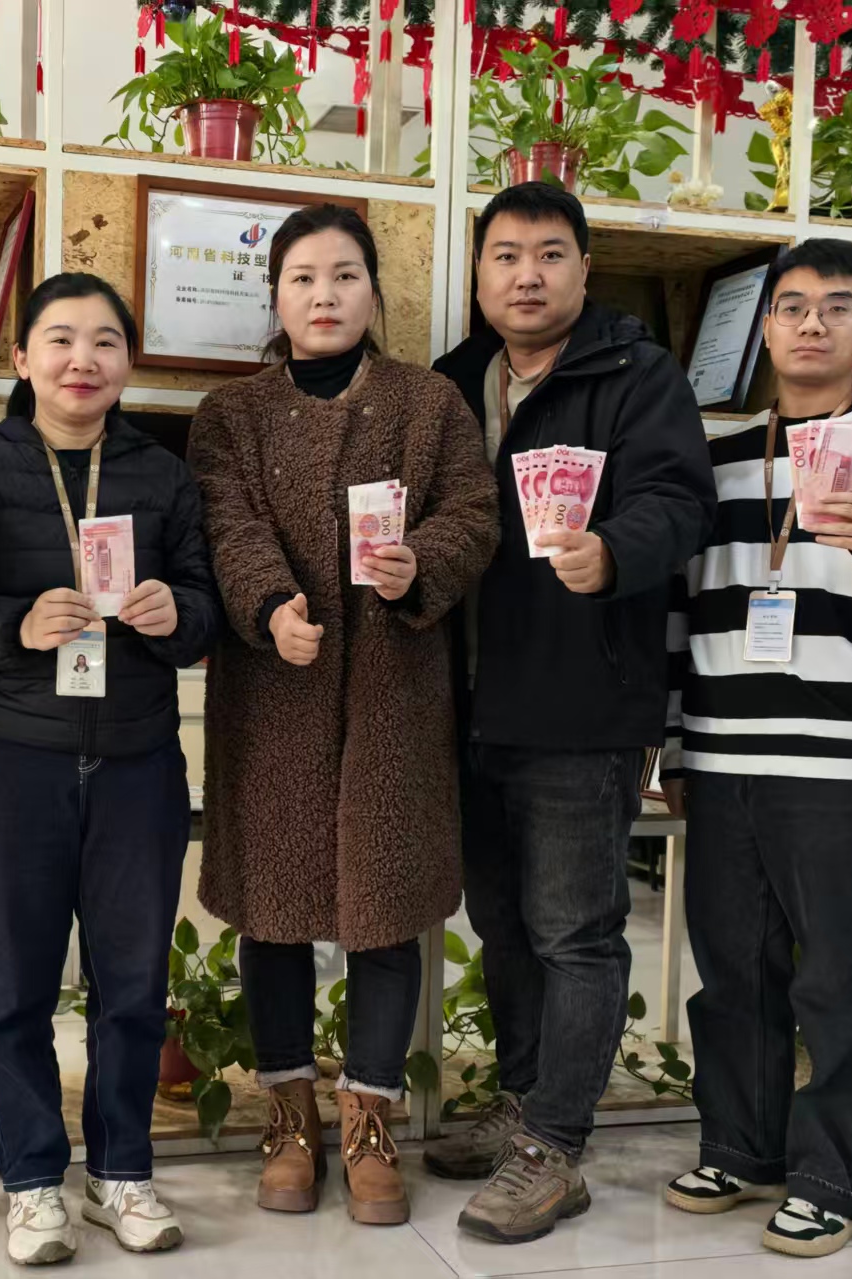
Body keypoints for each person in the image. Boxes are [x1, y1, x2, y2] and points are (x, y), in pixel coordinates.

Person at [657, 239, 852, 1257]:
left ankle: (833, 1177)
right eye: (791, 306)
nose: (810, 323)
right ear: (764, 327)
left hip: (839, 760)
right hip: (722, 757)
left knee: (840, 980)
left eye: (836, 306)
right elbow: (681, 616)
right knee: (731, 972)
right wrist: (675, 745)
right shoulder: (714, 457)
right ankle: (739, 1147)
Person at [187, 204, 500, 1227]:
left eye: (345, 275)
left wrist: (423, 564)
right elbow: (227, 523)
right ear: (275, 297)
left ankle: (368, 1121)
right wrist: (270, 605)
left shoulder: (429, 401)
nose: (324, 295)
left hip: (395, 690)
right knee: (272, 909)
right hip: (272, 689)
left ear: (374, 290)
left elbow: (473, 513)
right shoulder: (230, 414)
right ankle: (289, 1117)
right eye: (303, 279)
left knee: (384, 906)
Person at [425, 181, 716, 1243]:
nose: (527, 275)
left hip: (584, 702)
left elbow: (681, 502)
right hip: (468, 702)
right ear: (478, 273)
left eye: (550, 254)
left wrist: (614, 552)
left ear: (585, 270)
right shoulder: (452, 381)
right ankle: (523, 1099)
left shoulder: (637, 375)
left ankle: (557, 1146)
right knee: (502, 924)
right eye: (505, 255)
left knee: (575, 933)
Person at [0, 272, 222, 1265]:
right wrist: (13, 624)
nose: (81, 360)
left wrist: (178, 615)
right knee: (12, 987)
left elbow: (205, 605)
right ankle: (32, 1182)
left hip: (138, 761)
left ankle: (122, 1172)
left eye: (103, 341)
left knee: (132, 984)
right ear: (22, 358)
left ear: (128, 362)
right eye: (59, 338)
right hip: (13, 759)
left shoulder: (163, 475)